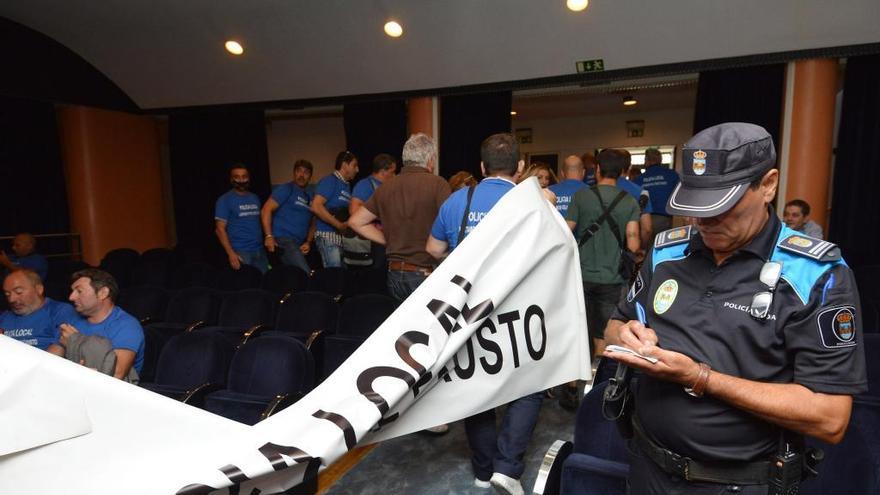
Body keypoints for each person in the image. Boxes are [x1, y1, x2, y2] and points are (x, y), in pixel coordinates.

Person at [604, 123, 865, 494]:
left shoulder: (816, 275)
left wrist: (700, 378)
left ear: (768, 185)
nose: (703, 222)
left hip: (737, 484)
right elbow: (618, 323)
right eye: (695, 207)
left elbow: (830, 417)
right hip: (648, 469)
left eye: (721, 207)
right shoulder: (666, 251)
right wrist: (627, 336)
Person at [426, 133, 542, 495]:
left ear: (481, 167)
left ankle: (482, 468)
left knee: (476, 385)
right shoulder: (532, 201)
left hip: (472, 311)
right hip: (519, 309)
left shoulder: (458, 199)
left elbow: (433, 248)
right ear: (520, 167)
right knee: (530, 385)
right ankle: (507, 467)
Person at [563, 149, 640, 409]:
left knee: (577, 332)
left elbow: (567, 231)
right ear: (622, 172)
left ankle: (572, 389)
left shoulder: (581, 196)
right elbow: (633, 242)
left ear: (596, 170)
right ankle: (596, 392)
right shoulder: (629, 200)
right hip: (611, 278)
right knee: (602, 336)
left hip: (579, 276)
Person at [350, 133, 450, 302]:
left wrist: (388, 240)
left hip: (394, 274)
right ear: (430, 160)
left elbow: (355, 221)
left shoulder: (385, 187)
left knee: (405, 328)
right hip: (425, 272)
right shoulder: (438, 184)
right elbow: (451, 226)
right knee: (427, 327)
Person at [51, 269, 145, 381]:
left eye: (79, 291)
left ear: (103, 293)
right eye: (72, 291)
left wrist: (75, 342)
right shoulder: (73, 320)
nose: (71, 297)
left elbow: (116, 374)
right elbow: (49, 360)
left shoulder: (127, 325)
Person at [0, 269, 78, 350]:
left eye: (19, 292)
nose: (11, 299)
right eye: (7, 294)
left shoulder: (59, 311)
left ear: (39, 289)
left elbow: (59, 349)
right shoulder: (4, 317)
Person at [261, 159, 315, 273]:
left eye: (306, 172)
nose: (302, 175)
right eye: (299, 171)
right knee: (305, 273)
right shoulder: (286, 189)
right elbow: (266, 209)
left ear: (310, 176)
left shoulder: (309, 197)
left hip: (298, 244)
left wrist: (308, 242)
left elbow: (313, 222)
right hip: (283, 241)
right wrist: (269, 236)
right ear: (294, 173)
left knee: (294, 278)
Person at [215, 163, 267, 273]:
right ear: (231, 179)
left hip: (259, 251)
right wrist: (231, 254)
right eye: (237, 177)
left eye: (244, 176)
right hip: (240, 252)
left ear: (248, 178)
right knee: (246, 286)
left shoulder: (255, 198)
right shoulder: (224, 200)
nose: (241, 180)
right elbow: (219, 230)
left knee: (263, 284)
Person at [311, 151, 359, 268]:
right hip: (327, 237)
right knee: (334, 278)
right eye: (354, 165)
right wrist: (339, 225)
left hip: (340, 239)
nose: (357, 170)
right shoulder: (330, 181)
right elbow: (316, 206)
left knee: (342, 278)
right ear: (344, 165)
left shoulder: (346, 185)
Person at [634, 147, 680, 234]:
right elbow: (680, 194)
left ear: (646, 160)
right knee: (661, 245)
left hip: (644, 219)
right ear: (660, 160)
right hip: (664, 219)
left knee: (646, 246)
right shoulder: (672, 175)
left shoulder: (639, 179)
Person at [617, 150, 653, 252]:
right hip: (629, 249)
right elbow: (647, 229)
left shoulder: (597, 191)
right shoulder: (640, 192)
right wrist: (640, 249)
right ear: (629, 167)